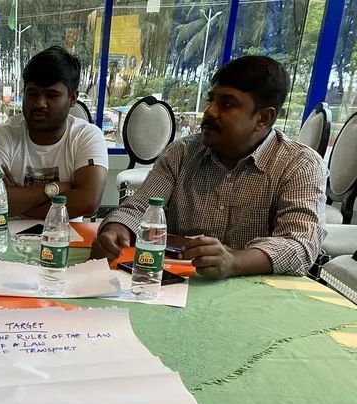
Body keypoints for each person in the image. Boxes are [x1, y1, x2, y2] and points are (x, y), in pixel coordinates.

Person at [92, 55, 327, 279]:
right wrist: (116, 229)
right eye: (211, 100)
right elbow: (139, 207)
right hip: (179, 284)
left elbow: (300, 243)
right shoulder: (182, 153)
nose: (210, 112)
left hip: (258, 291)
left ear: (263, 118)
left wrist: (235, 262)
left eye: (227, 104)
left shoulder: (299, 164)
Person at [0, 46, 108, 219]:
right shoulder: (2, 135)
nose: (39, 103)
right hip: (8, 233)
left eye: (52, 95)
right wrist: (56, 188)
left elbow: (88, 202)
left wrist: (15, 202)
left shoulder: (87, 136)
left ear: (73, 98)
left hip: (66, 232)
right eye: (32, 93)